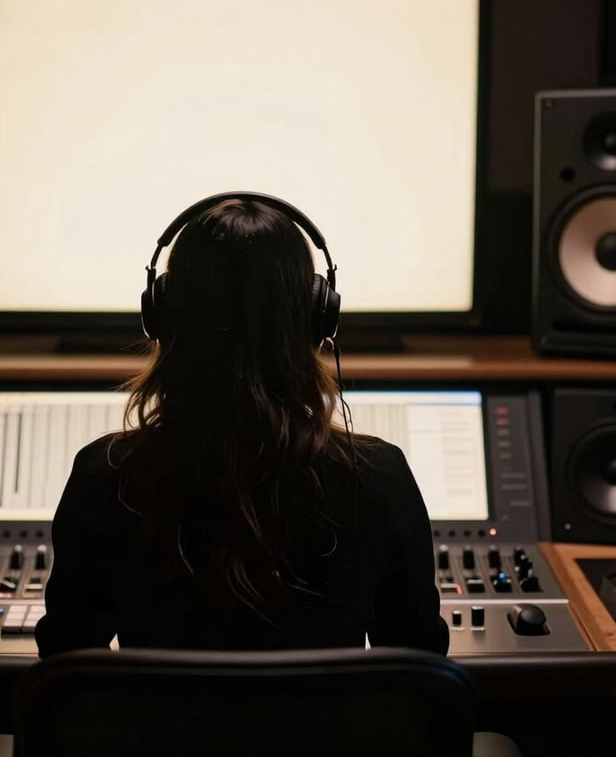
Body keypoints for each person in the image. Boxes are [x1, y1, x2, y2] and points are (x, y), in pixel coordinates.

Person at [34, 193, 449, 657]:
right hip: (324, 734)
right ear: (317, 317)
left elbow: (64, 663)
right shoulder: (378, 478)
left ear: (163, 316)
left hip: (159, 734)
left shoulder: (104, 476)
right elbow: (421, 665)